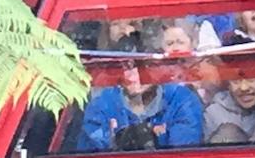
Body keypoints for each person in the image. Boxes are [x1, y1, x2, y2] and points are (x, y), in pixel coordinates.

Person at [74, 54, 204, 152]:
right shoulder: (102, 105)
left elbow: (182, 157)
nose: (134, 76)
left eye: (143, 67)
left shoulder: (181, 100)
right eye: (127, 66)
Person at [204, 68, 255, 141]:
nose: (243, 88)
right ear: (228, 86)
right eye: (236, 81)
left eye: (251, 79)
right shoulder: (214, 113)